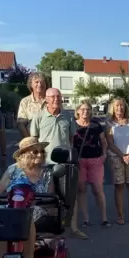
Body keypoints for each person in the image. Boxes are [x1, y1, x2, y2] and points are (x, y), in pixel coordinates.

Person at [0, 137, 55, 258]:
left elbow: (50, 198)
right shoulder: (12, 170)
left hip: (36, 208)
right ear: (24, 154)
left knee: (26, 216)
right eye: (35, 152)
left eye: (42, 151)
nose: (40, 154)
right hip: (12, 206)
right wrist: (4, 198)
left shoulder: (47, 172)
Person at [29, 87, 85, 239]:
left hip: (65, 163)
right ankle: (50, 227)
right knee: (47, 195)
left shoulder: (67, 116)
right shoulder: (39, 116)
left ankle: (73, 227)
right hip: (45, 164)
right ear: (46, 99)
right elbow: (34, 140)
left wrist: (71, 156)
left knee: (70, 195)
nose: (56, 99)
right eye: (52, 97)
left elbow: (71, 138)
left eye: (58, 96)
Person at [73, 100, 109, 228]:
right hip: (79, 161)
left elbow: (103, 141)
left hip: (95, 160)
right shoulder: (73, 125)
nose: (85, 112)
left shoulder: (96, 125)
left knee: (98, 190)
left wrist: (104, 155)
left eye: (88, 109)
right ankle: (86, 219)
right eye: (82, 109)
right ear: (77, 111)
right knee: (81, 189)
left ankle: (104, 218)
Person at [106, 98, 129, 225]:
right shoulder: (109, 124)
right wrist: (122, 156)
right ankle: (120, 215)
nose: (119, 108)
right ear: (113, 108)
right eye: (117, 106)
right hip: (116, 157)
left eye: (121, 105)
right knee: (119, 187)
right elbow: (110, 143)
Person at [17, 72, 47, 138]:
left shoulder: (52, 100)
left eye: (42, 82)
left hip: (50, 140)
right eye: (36, 82)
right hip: (32, 140)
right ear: (31, 84)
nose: (39, 84)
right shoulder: (25, 102)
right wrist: (30, 141)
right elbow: (21, 124)